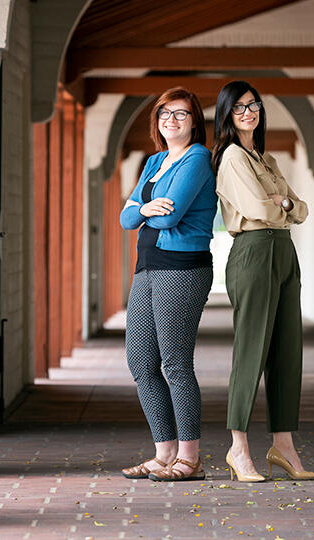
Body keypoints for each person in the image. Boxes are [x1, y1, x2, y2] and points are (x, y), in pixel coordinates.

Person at [211, 80, 314, 482]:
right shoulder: (232, 158)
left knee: (288, 349)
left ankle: (283, 446)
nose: (248, 112)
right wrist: (281, 206)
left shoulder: (267, 160)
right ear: (227, 114)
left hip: (284, 251)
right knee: (252, 351)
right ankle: (238, 448)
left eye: (253, 104)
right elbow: (257, 208)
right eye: (238, 107)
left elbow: (301, 209)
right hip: (254, 253)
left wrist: (284, 204)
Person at [119, 86, 217, 482]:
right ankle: (164, 453)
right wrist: (144, 206)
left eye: (180, 114)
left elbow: (169, 219)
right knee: (140, 362)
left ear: (195, 121)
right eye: (164, 114)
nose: (171, 120)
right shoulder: (155, 160)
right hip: (146, 266)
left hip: (182, 268)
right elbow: (127, 220)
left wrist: (142, 208)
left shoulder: (197, 159)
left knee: (175, 362)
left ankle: (190, 458)